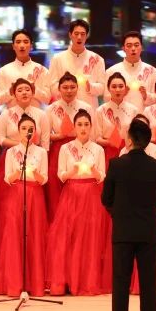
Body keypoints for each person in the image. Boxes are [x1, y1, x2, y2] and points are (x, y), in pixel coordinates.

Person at [102, 119, 156, 311]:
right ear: (147, 141)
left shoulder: (116, 164)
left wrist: (118, 214)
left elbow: (106, 198)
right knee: (149, 284)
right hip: (148, 231)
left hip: (123, 231)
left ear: (129, 140)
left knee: (120, 283)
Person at [47, 109, 110, 296]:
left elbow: (102, 176)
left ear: (91, 127)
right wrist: (73, 171)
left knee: (90, 237)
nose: (83, 128)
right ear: (74, 127)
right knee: (69, 236)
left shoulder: (98, 149)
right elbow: (61, 175)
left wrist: (93, 170)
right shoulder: (65, 148)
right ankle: (68, 280)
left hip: (91, 194)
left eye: (86, 125)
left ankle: (87, 281)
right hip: (71, 193)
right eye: (80, 125)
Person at [0, 114, 49, 297]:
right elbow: (7, 178)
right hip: (16, 193)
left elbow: (44, 178)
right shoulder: (11, 152)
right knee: (15, 235)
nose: (27, 131)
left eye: (30, 128)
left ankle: (35, 283)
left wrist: (35, 174)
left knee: (34, 234)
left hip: (35, 194)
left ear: (36, 131)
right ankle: (14, 283)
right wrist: (18, 173)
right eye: (24, 128)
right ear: (18, 131)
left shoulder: (41, 152)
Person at [44, 73, 93, 222]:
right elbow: (46, 136)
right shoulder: (51, 108)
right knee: (56, 189)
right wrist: (59, 136)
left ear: (78, 88)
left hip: (81, 149)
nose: (69, 90)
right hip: (58, 150)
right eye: (65, 87)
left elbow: (92, 134)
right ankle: (58, 223)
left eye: (72, 87)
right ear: (59, 89)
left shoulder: (86, 107)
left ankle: (79, 222)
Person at [47, 19, 106, 106]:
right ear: (70, 35)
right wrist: (66, 90)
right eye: (76, 33)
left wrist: (90, 87)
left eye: (82, 34)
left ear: (87, 36)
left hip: (89, 107)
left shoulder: (97, 59)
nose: (79, 37)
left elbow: (103, 87)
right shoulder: (57, 59)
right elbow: (52, 85)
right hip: (65, 107)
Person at [0, 28, 50, 107]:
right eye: (18, 42)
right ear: (13, 46)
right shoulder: (3, 70)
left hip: (35, 114)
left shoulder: (42, 70)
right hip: (12, 114)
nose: (22, 45)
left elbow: (47, 99)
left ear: (31, 46)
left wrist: (35, 90)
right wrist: (10, 92)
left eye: (25, 42)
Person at [105, 31, 156, 111]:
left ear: (142, 47)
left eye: (136, 45)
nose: (133, 49)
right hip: (120, 115)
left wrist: (146, 95)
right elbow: (106, 98)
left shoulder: (152, 71)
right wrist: (119, 95)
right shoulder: (111, 71)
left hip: (144, 116)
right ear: (123, 48)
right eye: (129, 46)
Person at [96, 72, 139, 164]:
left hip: (128, 151)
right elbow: (97, 138)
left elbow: (136, 135)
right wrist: (109, 142)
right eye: (114, 87)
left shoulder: (133, 110)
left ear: (125, 88)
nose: (117, 90)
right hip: (108, 151)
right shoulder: (100, 110)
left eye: (121, 86)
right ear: (108, 89)